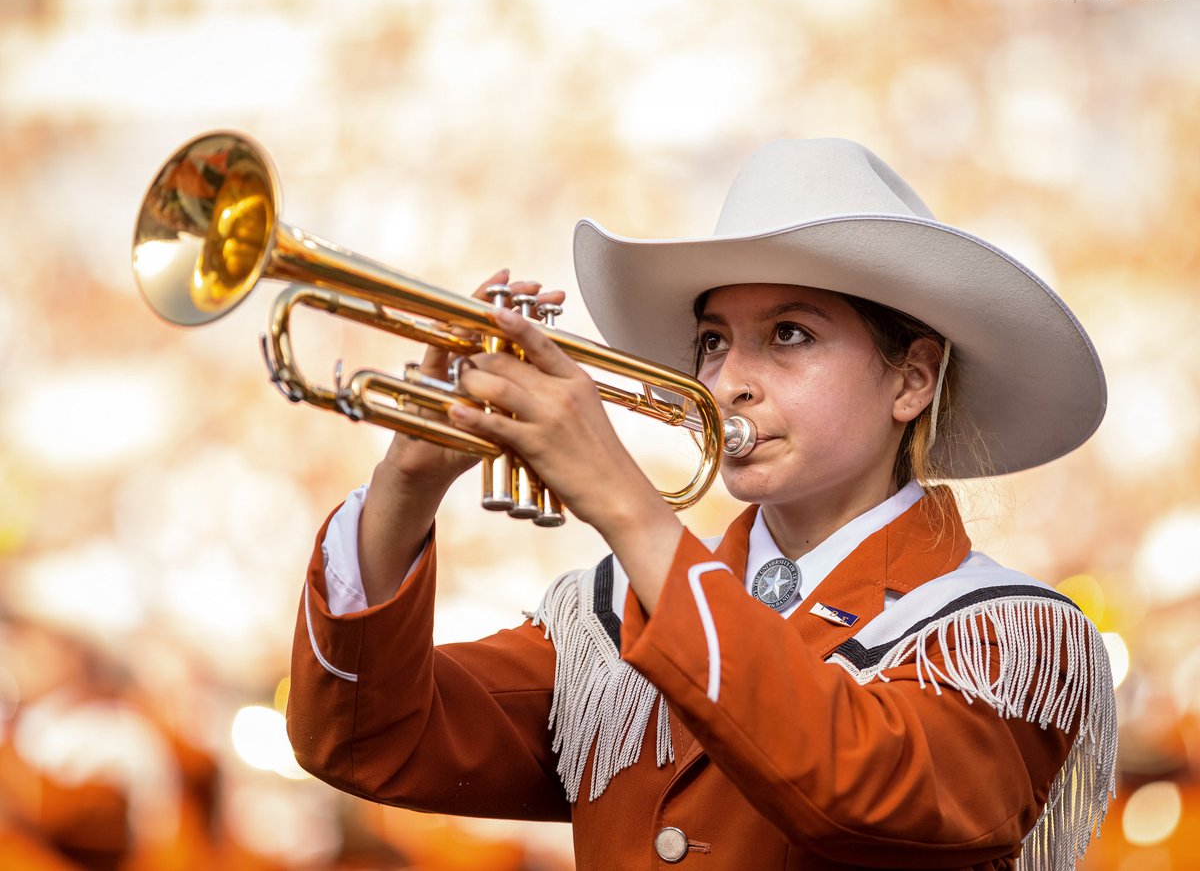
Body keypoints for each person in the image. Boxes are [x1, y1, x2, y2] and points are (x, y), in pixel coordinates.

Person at [286, 139, 1117, 870]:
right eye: (713, 340)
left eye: (789, 334)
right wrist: (409, 482)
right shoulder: (610, 619)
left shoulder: (1005, 635)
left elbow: (851, 784)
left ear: (912, 379)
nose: (726, 382)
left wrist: (627, 505)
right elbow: (363, 738)